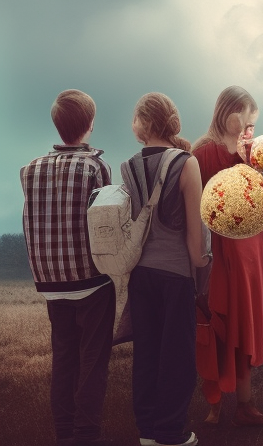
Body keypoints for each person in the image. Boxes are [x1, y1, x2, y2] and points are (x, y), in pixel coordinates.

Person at [21, 90, 115, 446]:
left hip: (50, 282)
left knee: (63, 357)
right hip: (90, 279)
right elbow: (105, 223)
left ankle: (64, 434)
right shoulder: (95, 167)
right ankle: (87, 434)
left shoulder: (28, 169)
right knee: (92, 360)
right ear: (90, 125)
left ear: (56, 125)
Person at [191, 86, 263, 426]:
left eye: (253, 122)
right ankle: (214, 402)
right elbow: (197, 204)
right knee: (218, 322)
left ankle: (245, 404)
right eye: (243, 118)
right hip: (222, 250)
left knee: (247, 324)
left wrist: (258, 169)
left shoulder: (257, 154)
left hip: (254, 250)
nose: (248, 127)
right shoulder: (203, 153)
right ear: (226, 112)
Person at [120, 93, 209, 446]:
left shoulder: (127, 166)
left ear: (143, 123)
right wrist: (203, 267)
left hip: (140, 273)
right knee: (177, 354)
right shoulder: (186, 163)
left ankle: (147, 430)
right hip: (175, 274)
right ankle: (172, 431)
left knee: (147, 352)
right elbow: (194, 235)